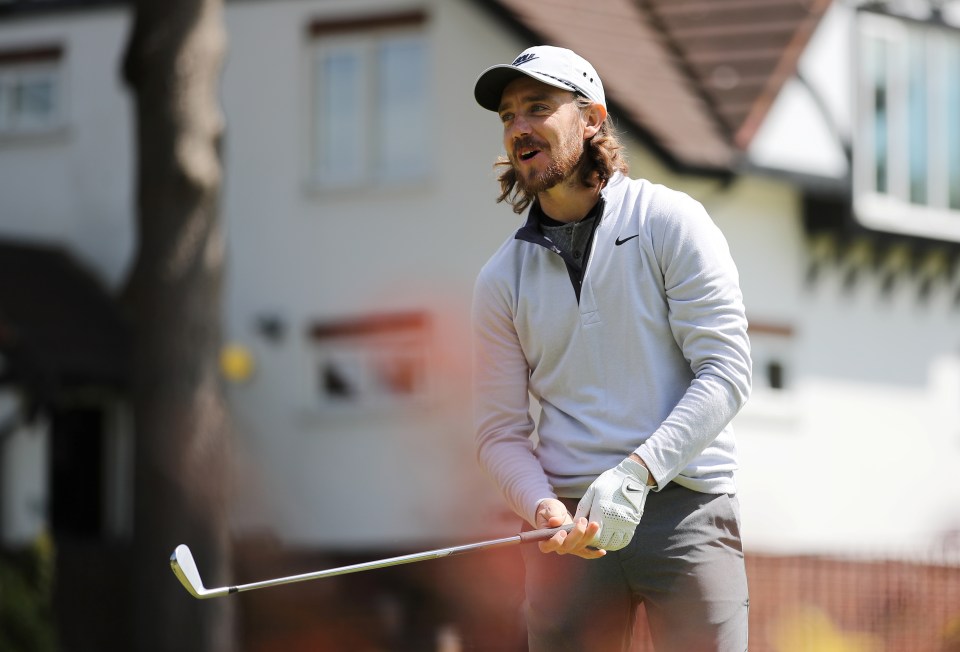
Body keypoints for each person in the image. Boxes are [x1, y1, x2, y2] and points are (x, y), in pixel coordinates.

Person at [470, 45, 752, 652]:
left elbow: (726, 371)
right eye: (508, 116)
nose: (519, 128)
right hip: (566, 533)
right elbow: (499, 434)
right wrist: (540, 505)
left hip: (686, 509)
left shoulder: (670, 221)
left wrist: (639, 471)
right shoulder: (500, 279)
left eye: (538, 108)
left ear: (592, 118)